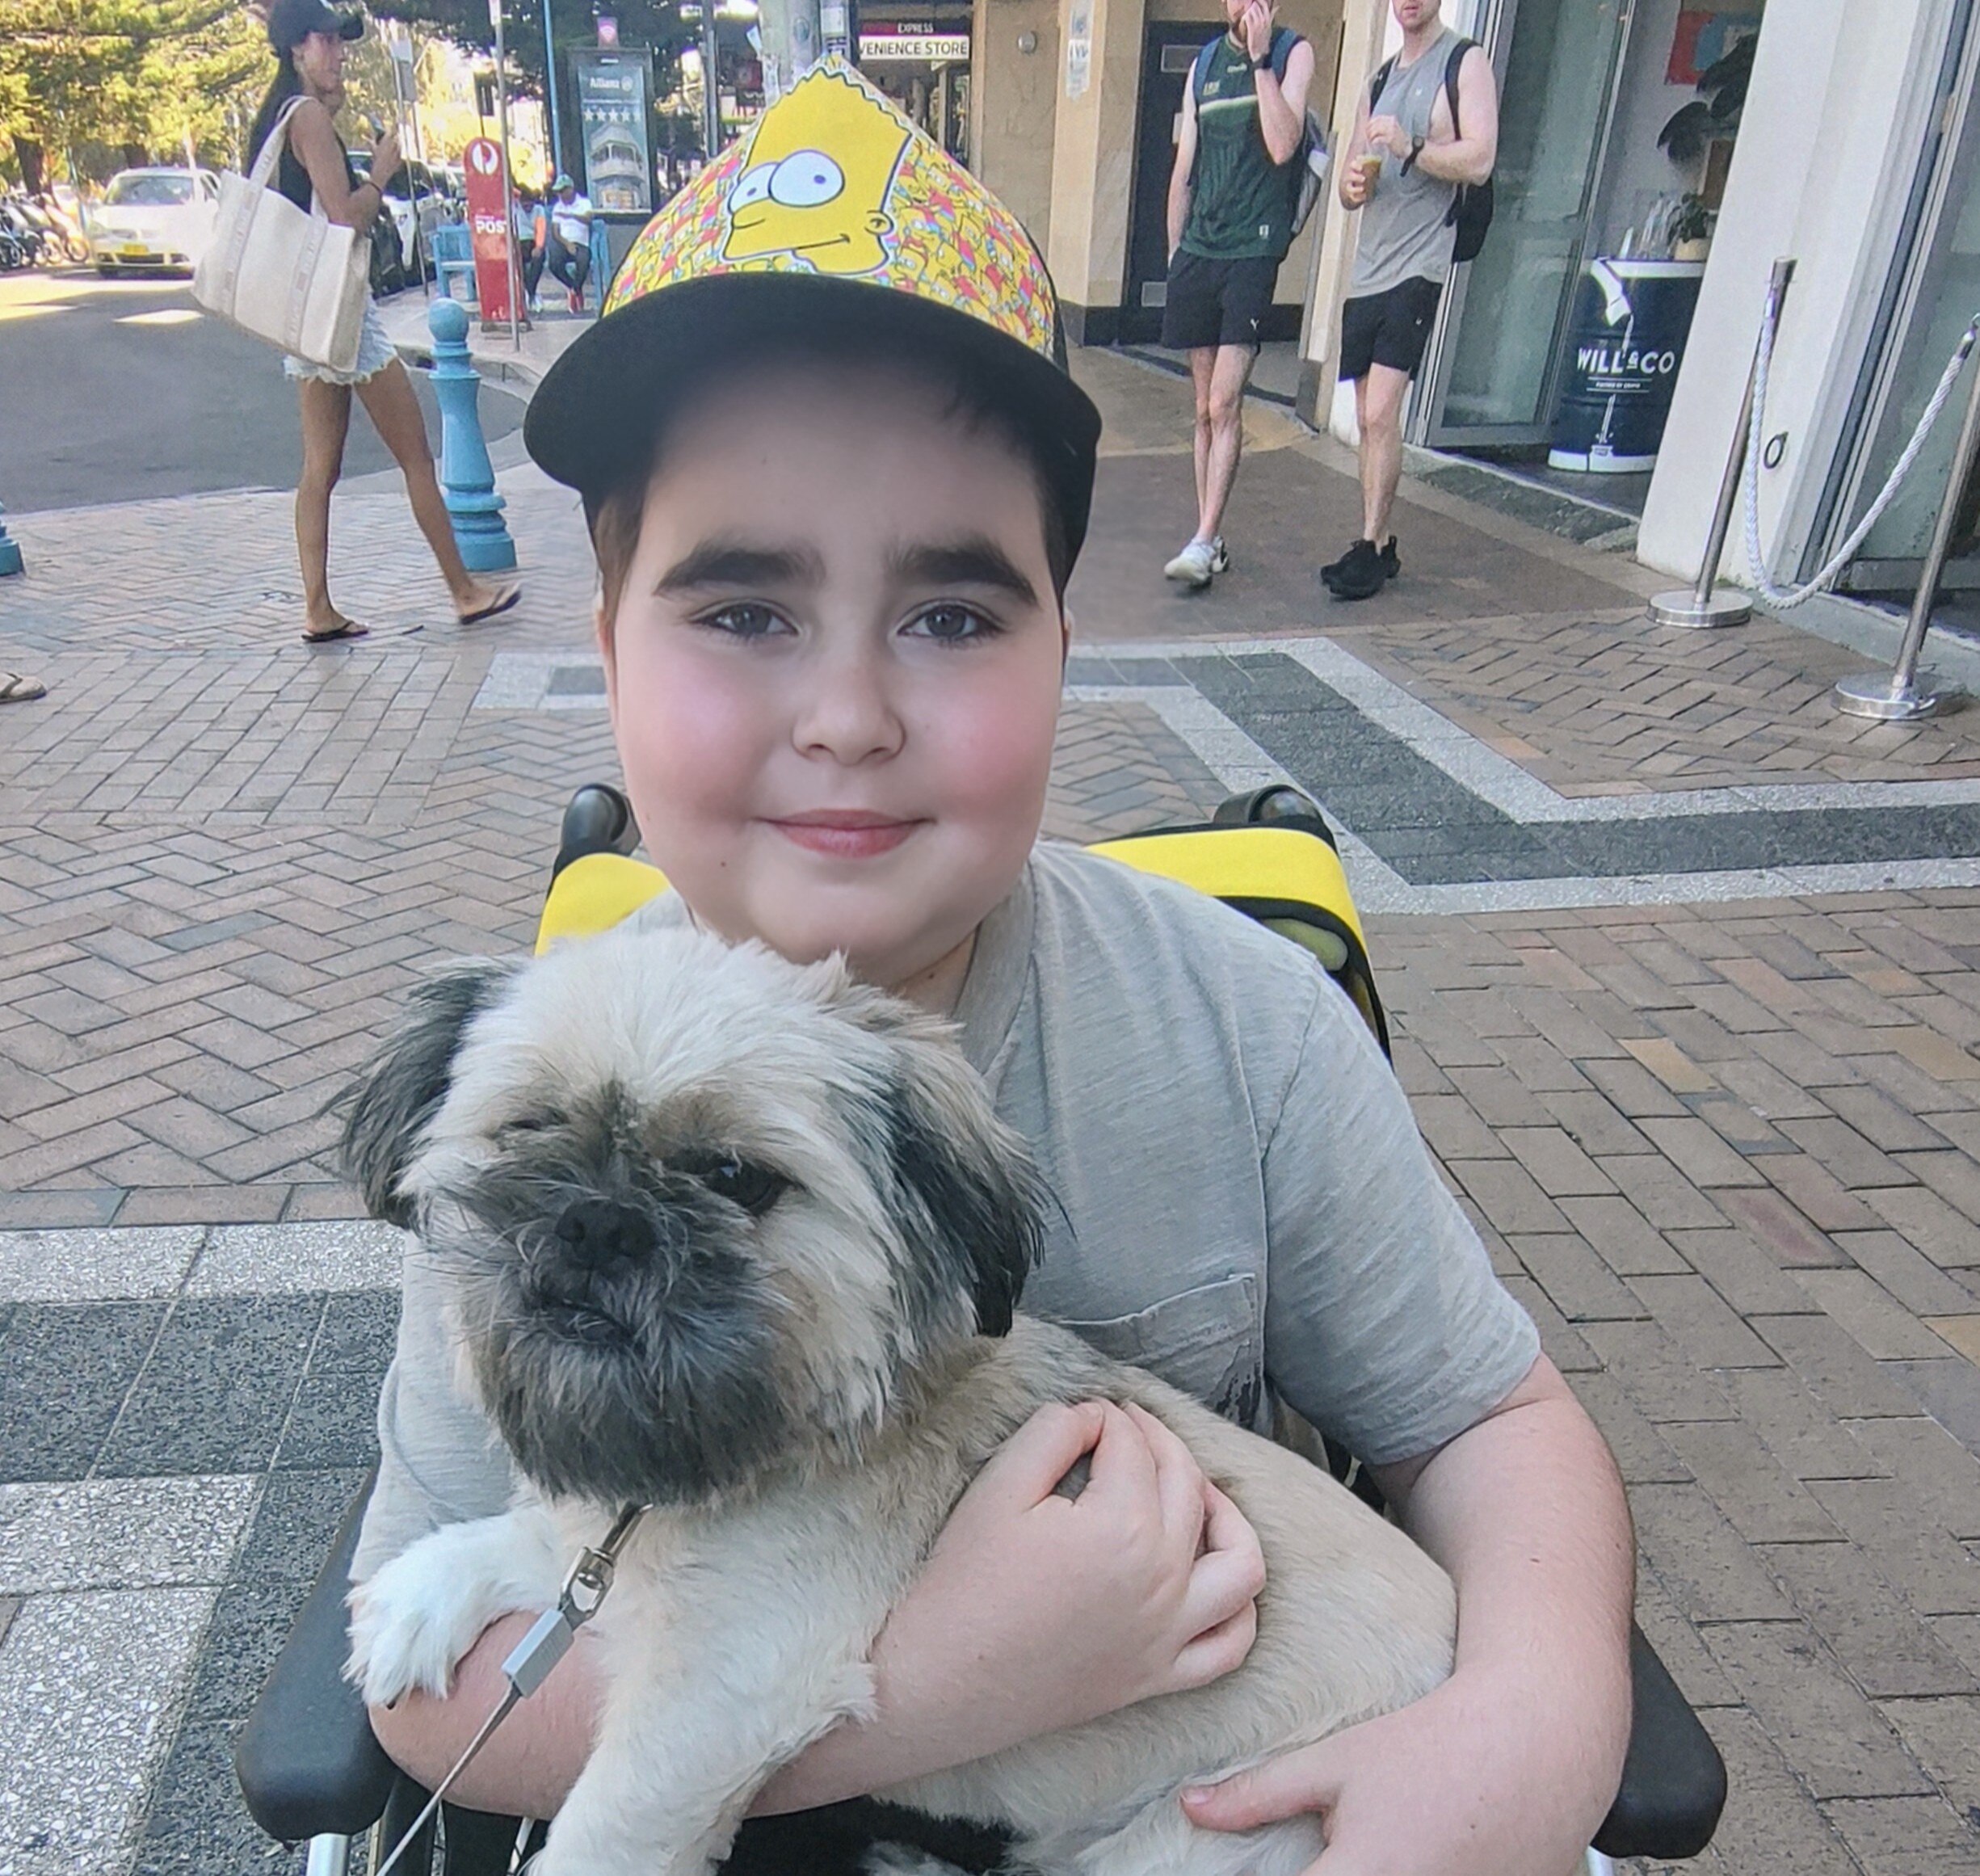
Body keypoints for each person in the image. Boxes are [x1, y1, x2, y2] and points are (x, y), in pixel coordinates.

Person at [354, 61, 1631, 1876]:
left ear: (1064, 649)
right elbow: (420, 1680)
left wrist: (1535, 1722)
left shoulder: (1247, 1026)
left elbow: (1488, 1414)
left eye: (950, 615)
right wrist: (936, 1687)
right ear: (607, 655)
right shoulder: (511, 1114)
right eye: (741, 611)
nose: (851, 717)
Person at [247, 0, 521, 643]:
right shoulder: (308, 116)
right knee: (417, 457)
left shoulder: (281, 117)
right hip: (344, 315)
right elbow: (345, 217)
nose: (339, 52)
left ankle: (317, 607)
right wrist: (378, 176)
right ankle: (463, 589)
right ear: (296, 49)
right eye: (327, 41)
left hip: (308, 315)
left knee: (320, 469)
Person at [1326, 0, 1497, 601]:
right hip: (1368, 269)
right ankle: (1381, 539)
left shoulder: (1463, 62)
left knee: (1378, 414)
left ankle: (1368, 546)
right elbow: (1351, 183)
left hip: (1417, 267)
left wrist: (1412, 146)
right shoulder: (1379, 78)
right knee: (1367, 416)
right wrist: (1352, 186)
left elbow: (1479, 159)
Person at [1160, 0, 1314, 591]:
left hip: (1252, 251)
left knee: (1225, 403)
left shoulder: (1291, 52)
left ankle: (1201, 540)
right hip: (1199, 249)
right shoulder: (1201, 65)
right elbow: (1184, 167)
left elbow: (1282, 144)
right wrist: (1175, 252)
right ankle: (1210, 539)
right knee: (1202, 409)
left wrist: (1258, 61)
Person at [544, 174, 595, 312]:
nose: (560, 195)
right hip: (564, 242)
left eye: (562, 191)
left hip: (581, 242)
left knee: (583, 261)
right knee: (554, 263)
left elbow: (588, 219)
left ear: (570, 189)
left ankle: (576, 289)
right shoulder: (557, 207)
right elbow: (555, 231)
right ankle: (573, 288)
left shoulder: (584, 203)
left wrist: (571, 216)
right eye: (558, 192)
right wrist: (567, 244)